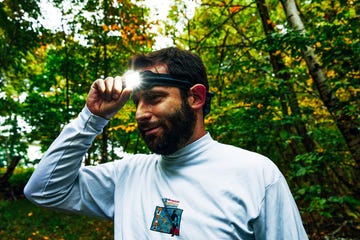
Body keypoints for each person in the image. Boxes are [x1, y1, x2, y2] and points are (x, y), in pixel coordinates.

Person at [24, 47, 308, 239]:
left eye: (155, 98)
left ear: (195, 98)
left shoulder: (256, 174)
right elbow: (43, 190)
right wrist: (92, 118)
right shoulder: (128, 174)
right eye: (136, 102)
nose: (140, 114)